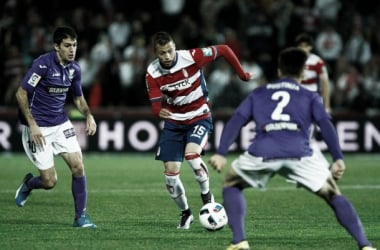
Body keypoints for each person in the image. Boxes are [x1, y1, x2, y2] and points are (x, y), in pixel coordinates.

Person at [208, 47, 376, 250]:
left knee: (232, 182)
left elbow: (237, 120)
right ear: (303, 73)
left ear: (279, 71)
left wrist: (221, 153)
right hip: (301, 153)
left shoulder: (259, 93)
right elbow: (326, 124)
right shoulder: (310, 96)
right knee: (333, 194)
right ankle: (365, 245)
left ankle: (239, 241)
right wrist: (338, 157)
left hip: (264, 151)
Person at [145, 31, 252, 229]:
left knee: (192, 156)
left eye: (170, 51)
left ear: (175, 47)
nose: (167, 56)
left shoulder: (191, 57)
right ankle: (186, 213)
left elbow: (224, 49)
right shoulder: (152, 72)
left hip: (199, 117)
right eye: (162, 53)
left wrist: (242, 74)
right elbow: (154, 101)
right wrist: (158, 111)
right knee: (170, 175)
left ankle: (206, 196)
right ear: (156, 53)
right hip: (174, 124)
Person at [14, 26, 97, 228]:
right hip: (38, 128)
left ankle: (80, 217)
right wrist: (32, 125)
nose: (72, 50)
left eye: (74, 45)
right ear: (56, 47)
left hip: (60, 124)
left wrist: (89, 115)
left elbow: (78, 98)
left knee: (78, 165)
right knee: (50, 182)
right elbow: (21, 94)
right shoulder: (42, 65)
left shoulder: (74, 69)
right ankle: (28, 184)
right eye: (67, 45)